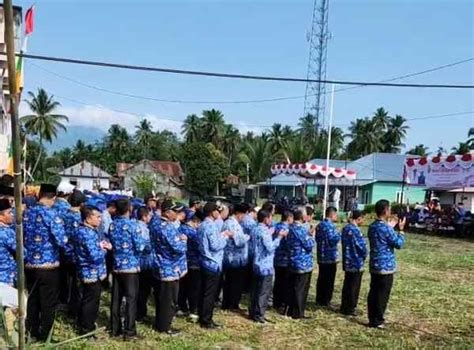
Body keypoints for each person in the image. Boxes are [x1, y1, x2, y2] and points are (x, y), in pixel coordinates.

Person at [24, 183, 67, 341]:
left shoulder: (27, 213)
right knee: (48, 302)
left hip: (29, 264)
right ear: (54, 198)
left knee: (33, 299)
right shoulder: (52, 215)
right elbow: (62, 240)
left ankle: (31, 332)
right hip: (48, 265)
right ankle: (45, 335)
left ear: (39, 194)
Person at [108, 198, 145, 340]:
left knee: (116, 299)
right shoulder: (133, 226)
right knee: (131, 299)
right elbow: (140, 246)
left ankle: (115, 329)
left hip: (117, 266)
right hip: (131, 267)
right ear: (129, 209)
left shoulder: (112, 225)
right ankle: (129, 331)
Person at [367, 199, 406, 328]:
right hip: (385, 266)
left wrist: (390, 227)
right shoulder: (386, 228)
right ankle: (378, 320)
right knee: (382, 294)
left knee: (374, 292)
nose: (390, 211)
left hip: (375, 264)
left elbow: (383, 236)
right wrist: (400, 230)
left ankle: (372, 317)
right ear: (385, 211)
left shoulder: (372, 226)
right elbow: (398, 244)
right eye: (389, 209)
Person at [73, 205, 111, 335]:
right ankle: (87, 328)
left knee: (86, 298)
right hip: (91, 271)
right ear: (88, 218)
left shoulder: (82, 230)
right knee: (91, 301)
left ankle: (83, 323)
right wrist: (105, 249)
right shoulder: (87, 233)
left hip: (87, 270)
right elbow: (94, 255)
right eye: (98, 217)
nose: (100, 220)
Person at [152, 200, 188, 335]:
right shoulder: (167, 227)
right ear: (167, 212)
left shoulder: (155, 223)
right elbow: (178, 248)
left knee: (162, 297)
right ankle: (165, 326)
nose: (178, 214)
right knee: (169, 299)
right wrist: (183, 240)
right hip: (169, 268)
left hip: (160, 265)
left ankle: (160, 322)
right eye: (176, 211)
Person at [197, 202, 233, 329]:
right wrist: (226, 237)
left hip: (204, 261)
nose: (219, 213)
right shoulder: (210, 226)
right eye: (217, 210)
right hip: (212, 263)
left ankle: (202, 315)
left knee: (203, 292)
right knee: (210, 294)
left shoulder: (202, 224)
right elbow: (215, 245)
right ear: (212, 212)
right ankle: (206, 320)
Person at [250, 209, 287, 323]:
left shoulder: (255, 229)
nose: (271, 220)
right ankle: (259, 315)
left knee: (256, 290)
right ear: (266, 219)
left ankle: (253, 311)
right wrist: (279, 237)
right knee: (264, 291)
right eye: (270, 218)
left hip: (256, 263)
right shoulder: (264, 231)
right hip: (265, 265)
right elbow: (270, 247)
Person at [60, 190, 87, 316]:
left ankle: (64, 302)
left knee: (65, 279)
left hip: (64, 250)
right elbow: (78, 236)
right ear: (81, 204)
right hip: (74, 252)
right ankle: (73, 308)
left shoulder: (64, 213)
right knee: (75, 283)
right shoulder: (77, 216)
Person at [286, 209, 315, 319]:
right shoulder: (301, 229)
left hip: (292, 261)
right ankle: (298, 313)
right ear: (302, 217)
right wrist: (312, 235)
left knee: (293, 287)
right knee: (300, 289)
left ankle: (290, 310)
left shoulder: (290, 228)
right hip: (302, 263)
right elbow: (309, 245)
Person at [222, 203, 250, 311]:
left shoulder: (229, 223)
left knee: (230, 282)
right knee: (234, 283)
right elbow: (238, 241)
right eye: (243, 215)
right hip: (234, 258)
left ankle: (229, 303)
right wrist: (246, 237)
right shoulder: (232, 224)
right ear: (239, 214)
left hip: (232, 257)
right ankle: (232, 304)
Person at [340, 210, 367, 316]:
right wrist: (365, 255)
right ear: (359, 218)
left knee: (347, 284)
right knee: (354, 286)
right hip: (356, 261)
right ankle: (350, 308)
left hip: (347, 260)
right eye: (362, 218)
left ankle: (344, 306)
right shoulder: (355, 230)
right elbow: (361, 247)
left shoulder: (345, 228)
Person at [177, 210, 202, 320]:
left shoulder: (180, 228)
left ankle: (181, 307)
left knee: (183, 287)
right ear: (196, 221)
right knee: (194, 288)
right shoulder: (193, 232)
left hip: (183, 262)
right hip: (194, 263)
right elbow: (199, 246)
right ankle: (193, 309)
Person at [315, 206, 341, 307]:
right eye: (335, 214)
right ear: (332, 214)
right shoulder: (330, 226)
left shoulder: (319, 225)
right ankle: (326, 300)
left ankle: (319, 298)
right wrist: (339, 234)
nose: (336, 216)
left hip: (321, 255)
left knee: (321, 278)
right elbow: (332, 240)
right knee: (328, 280)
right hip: (329, 257)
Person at [273, 211, 293, 313]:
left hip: (276, 258)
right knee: (284, 283)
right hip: (285, 260)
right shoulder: (287, 229)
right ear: (289, 218)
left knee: (277, 281)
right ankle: (282, 303)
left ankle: (276, 302)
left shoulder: (275, 226)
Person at [136, 207, 154, 322]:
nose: (151, 218)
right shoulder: (141, 228)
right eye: (149, 216)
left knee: (143, 290)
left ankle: (141, 312)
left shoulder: (141, 227)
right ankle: (140, 314)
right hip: (144, 263)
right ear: (144, 216)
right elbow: (144, 247)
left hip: (143, 262)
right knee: (143, 290)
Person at [0, 198, 17, 287]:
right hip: (6, 277)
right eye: (9, 212)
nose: (12, 215)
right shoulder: (6, 232)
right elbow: (22, 252)